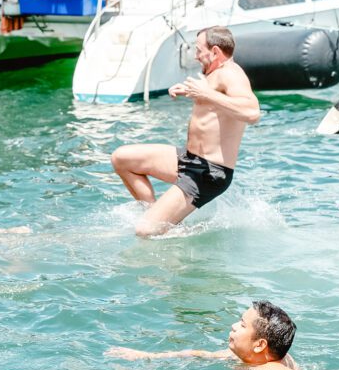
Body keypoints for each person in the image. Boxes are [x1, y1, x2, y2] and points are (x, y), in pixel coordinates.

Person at [111, 26, 260, 237]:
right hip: (190, 159)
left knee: (144, 231)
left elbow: (252, 113)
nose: (196, 56)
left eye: (199, 50)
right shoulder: (215, 74)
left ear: (215, 51)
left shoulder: (232, 74)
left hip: (209, 172)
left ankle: (162, 227)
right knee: (122, 159)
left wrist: (206, 94)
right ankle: (160, 216)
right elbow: (213, 103)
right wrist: (191, 92)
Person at [88, 301, 301, 370]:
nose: (234, 326)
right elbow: (200, 353)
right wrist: (146, 356)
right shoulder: (276, 357)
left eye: (243, 325)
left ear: (259, 345)